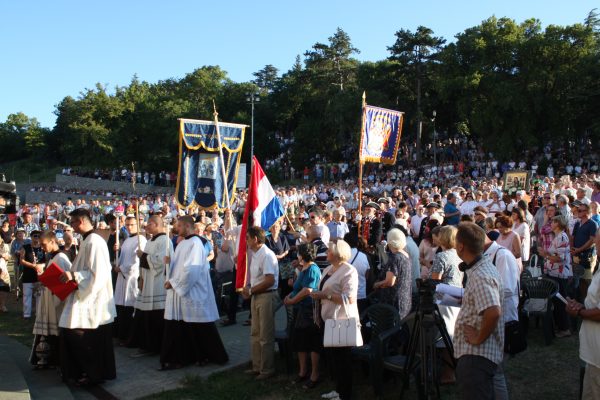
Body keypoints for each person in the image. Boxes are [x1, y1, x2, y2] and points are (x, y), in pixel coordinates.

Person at [161, 215, 228, 370]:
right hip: (183, 292)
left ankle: (212, 356)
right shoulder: (183, 243)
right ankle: (196, 356)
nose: (176, 229)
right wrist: (170, 262)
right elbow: (180, 266)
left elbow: (192, 269)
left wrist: (174, 283)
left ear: (187, 226)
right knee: (191, 329)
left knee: (202, 328)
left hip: (194, 291)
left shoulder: (196, 243)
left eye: (179, 226)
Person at [59, 208, 116, 386]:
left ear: (81, 221)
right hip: (84, 293)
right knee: (74, 333)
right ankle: (85, 372)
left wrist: (75, 276)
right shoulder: (88, 240)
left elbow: (98, 274)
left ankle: (92, 374)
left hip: (92, 299)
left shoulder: (94, 242)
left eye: (73, 223)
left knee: (81, 337)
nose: (72, 227)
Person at [454, 222, 503, 400]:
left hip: (476, 357)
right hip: (477, 355)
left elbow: (493, 311)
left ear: (461, 246)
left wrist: (478, 337)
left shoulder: (481, 275)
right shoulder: (480, 269)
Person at [310, 240, 359, 400]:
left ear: (338, 254)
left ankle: (346, 394)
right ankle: (338, 390)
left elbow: (349, 298)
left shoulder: (349, 271)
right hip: (328, 320)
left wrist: (325, 295)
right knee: (334, 359)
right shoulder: (329, 269)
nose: (326, 254)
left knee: (343, 360)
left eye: (329, 251)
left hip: (341, 321)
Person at [483, 232, 520, 400]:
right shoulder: (487, 254)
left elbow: (507, 288)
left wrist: (478, 295)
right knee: (492, 367)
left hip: (503, 316)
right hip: (492, 313)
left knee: (496, 368)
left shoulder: (502, 255)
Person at [129, 215, 172, 356]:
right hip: (147, 282)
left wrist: (143, 256)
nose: (146, 227)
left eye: (149, 224)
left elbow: (161, 263)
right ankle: (147, 345)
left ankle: (156, 347)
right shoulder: (149, 241)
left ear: (156, 224)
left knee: (157, 317)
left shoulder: (165, 240)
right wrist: (141, 277)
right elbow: (144, 263)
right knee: (146, 315)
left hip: (158, 283)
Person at [566, 233, 600, 399]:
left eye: (597, 241)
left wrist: (579, 312)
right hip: (594, 353)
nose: (595, 244)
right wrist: (583, 306)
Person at [30, 231, 72, 368]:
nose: (42, 247)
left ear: (53, 241)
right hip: (49, 297)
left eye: (44, 244)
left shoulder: (61, 258)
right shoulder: (53, 257)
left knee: (56, 332)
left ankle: (56, 360)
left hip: (56, 302)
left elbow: (66, 283)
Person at [242, 226, 279, 379]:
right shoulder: (256, 253)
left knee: (265, 335)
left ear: (255, 239)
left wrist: (251, 290)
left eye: (248, 238)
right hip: (257, 295)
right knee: (255, 333)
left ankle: (267, 369)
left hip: (266, 296)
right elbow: (259, 278)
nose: (246, 241)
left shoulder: (267, 255)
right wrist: (250, 288)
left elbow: (270, 280)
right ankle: (257, 366)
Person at [284, 242, 322, 389]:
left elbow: (307, 290)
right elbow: (297, 287)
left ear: (304, 254)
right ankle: (302, 372)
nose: (297, 255)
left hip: (309, 311)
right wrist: (290, 295)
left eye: (299, 253)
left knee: (312, 342)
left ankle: (314, 375)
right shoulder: (303, 267)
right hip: (300, 310)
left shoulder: (312, 268)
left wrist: (292, 299)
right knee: (301, 342)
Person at [538, 215, 573, 337]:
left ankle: (565, 328)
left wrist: (545, 255)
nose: (550, 224)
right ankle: (561, 326)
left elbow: (560, 258)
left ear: (558, 224)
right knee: (557, 301)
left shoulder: (562, 237)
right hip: (554, 272)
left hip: (559, 273)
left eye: (553, 222)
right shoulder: (558, 236)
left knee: (561, 302)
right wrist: (546, 253)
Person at [114, 216, 147, 344]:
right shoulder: (127, 240)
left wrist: (121, 268)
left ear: (137, 224)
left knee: (129, 308)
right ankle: (121, 335)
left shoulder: (141, 239)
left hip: (132, 278)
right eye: (127, 224)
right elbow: (123, 257)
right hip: (122, 277)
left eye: (132, 224)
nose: (129, 227)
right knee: (122, 307)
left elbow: (137, 261)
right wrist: (118, 251)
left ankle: (130, 338)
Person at [373, 228, 412, 319]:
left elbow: (389, 282)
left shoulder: (394, 257)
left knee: (392, 328)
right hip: (405, 298)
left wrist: (377, 284)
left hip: (394, 301)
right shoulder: (406, 255)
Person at [571, 203, 598, 299]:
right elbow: (572, 237)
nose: (577, 212)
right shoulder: (577, 223)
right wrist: (572, 249)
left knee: (586, 280)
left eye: (580, 210)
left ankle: (586, 302)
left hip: (587, 256)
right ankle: (579, 300)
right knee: (576, 279)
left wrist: (579, 249)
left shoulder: (592, 224)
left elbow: (592, 241)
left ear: (587, 212)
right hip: (576, 255)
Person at [19, 230, 44, 319]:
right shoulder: (25, 247)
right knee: (27, 295)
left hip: (40, 276)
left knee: (39, 296)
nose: (36, 237)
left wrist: (41, 265)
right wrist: (33, 266)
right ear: (31, 237)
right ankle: (26, 314)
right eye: (34, 236)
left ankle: (38, 314)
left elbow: (47, 260)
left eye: (38, 236)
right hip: (28, 275)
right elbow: (21, 261)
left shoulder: (43, 247)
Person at [344, 232, 370, 314]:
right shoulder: (363, 256)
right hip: (360, 294)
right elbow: (367, 275)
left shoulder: (341, 256)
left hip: (345, 296)